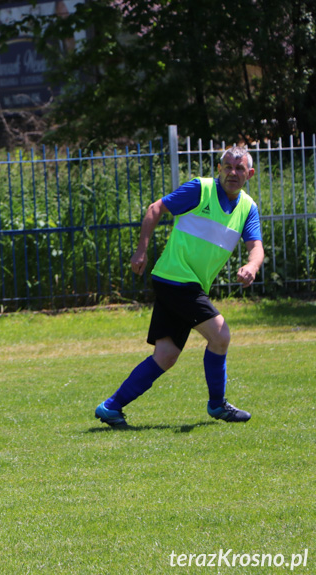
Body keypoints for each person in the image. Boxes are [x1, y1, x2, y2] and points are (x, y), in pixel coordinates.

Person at [95, 145, 264, 428]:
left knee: (166, 355)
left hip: (182, 282)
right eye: (228, 167)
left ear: (250, 173)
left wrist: (252, 266)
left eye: (239, 168)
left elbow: (256, 247)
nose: (233, 173)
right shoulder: (201, 189)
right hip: (177, 278)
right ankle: (217, 405)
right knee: (220, 334)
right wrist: (141, 250)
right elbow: (156, 208)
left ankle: (110, 408)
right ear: (219, 168)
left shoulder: (248, 207)